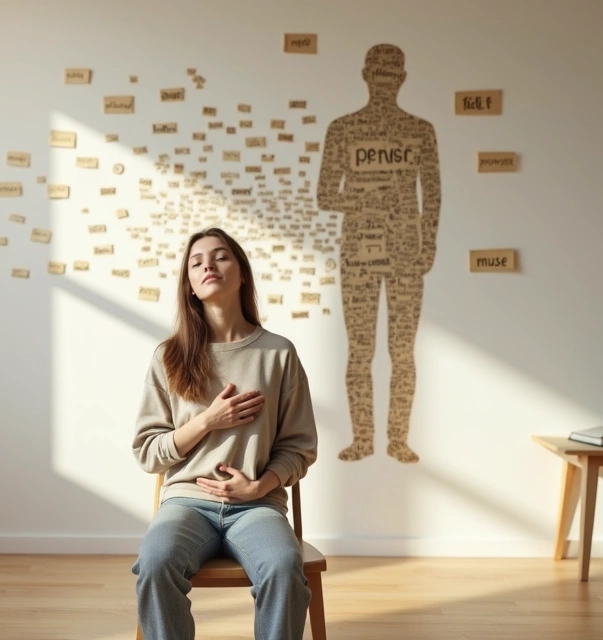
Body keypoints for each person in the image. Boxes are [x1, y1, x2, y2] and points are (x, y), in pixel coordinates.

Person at [130, 227, 320, 640]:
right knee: (155, 562)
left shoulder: (278, 353)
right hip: (186, 504)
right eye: (196, 262)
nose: (208, 266)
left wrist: (259, 487)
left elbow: (299, 447)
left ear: (242, 273)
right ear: (191, 287)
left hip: (257, 506)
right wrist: (207, 421)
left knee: (284, 567)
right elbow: (148, 452)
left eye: (220, 257)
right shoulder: (169, 356)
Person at [317, 43, 441, 464]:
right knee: (360, 350)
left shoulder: (421, 130)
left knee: (402, 351)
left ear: (401, 79)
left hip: (407, 253)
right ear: (367, 76)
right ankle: (364, 439)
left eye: (392, 76)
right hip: (359, 252)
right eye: (380, 75)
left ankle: (397, 440)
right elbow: (324, 194)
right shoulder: (343, 129)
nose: (385, 83)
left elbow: (434, 193)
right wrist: (370, 199)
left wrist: (430, 242)